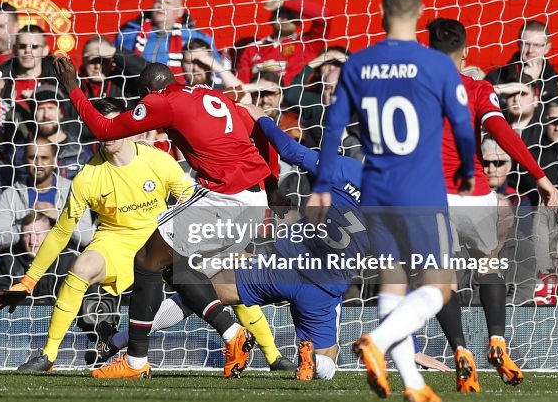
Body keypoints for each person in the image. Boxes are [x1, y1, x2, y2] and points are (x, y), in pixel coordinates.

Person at [105, 101, 367, 380]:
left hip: (284, 265)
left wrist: (263, 119)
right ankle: (312, 363)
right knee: (327, 364)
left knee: (199, 295)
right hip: (326, 283)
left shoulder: (346, 167)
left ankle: (119, 341)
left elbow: (290, 150)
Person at [53, 55, 277, 379]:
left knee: (146, 259)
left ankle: (138, 361)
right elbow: (256, 129)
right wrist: (273, 184)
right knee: (176, 272)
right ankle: (225, 336)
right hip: (255, 200)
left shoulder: (163, 103)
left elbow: (103, 128)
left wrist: (73, 88)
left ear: (148, 92)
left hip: (225, 197)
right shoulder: (209, 94)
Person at [310, 0, 477, 402]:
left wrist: (324, 184)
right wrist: (464, 168)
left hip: (376, 191)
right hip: (419, 191)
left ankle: (414, 384)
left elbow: (333, 127)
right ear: (420, 13)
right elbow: (461, 123)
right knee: (439, 286)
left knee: (393, 284)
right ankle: (378, 342)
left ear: (382, 11)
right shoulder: (437, 64)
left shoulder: (358, 65)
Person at [0, 97, 197, 371]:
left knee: (217, 279)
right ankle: (49, 355)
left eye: (112, 125)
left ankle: (269, 353)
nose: (106, 132)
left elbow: (193, 203)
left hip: (159, 239)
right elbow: (62, 231)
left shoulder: (158, 160)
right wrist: (29, 282)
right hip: (115, 242)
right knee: (82, 266)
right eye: (99, 127)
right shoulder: (87, 177)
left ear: (126, 124)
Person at [426, 18, 557, 392]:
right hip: (477, 195)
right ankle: (497, 340)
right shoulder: (478, 88)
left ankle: (461, 351)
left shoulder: (415, 92)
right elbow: (501, 131)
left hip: (433, 197)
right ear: (465, 52)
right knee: (489, 265)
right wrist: (540, 176)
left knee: (442, 279)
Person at [114, 0, 214, 77]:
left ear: (180, 11)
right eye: (158, 2)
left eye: (168, 3)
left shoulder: (197, 39)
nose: (161, 6)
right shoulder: (129, 33)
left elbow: (214, 71)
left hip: (178, 93)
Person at [234, 0, 330, 86]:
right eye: (280, 14)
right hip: (259, 100)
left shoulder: (308, 44)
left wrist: (285, 2)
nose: (285, 18)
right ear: (271, 19)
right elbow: (242, 84)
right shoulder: (253, 49)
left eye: (290, 16)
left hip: (295, 101)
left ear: (299, 22)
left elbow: (325, 15)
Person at [485, 21, 558, 105]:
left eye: (536, 45)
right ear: (519, 44)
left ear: (547, 48)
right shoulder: (496, 76)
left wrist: (533, 84)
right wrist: (523, 80)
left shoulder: (557, 81)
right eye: (526, 44)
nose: (530, 50)